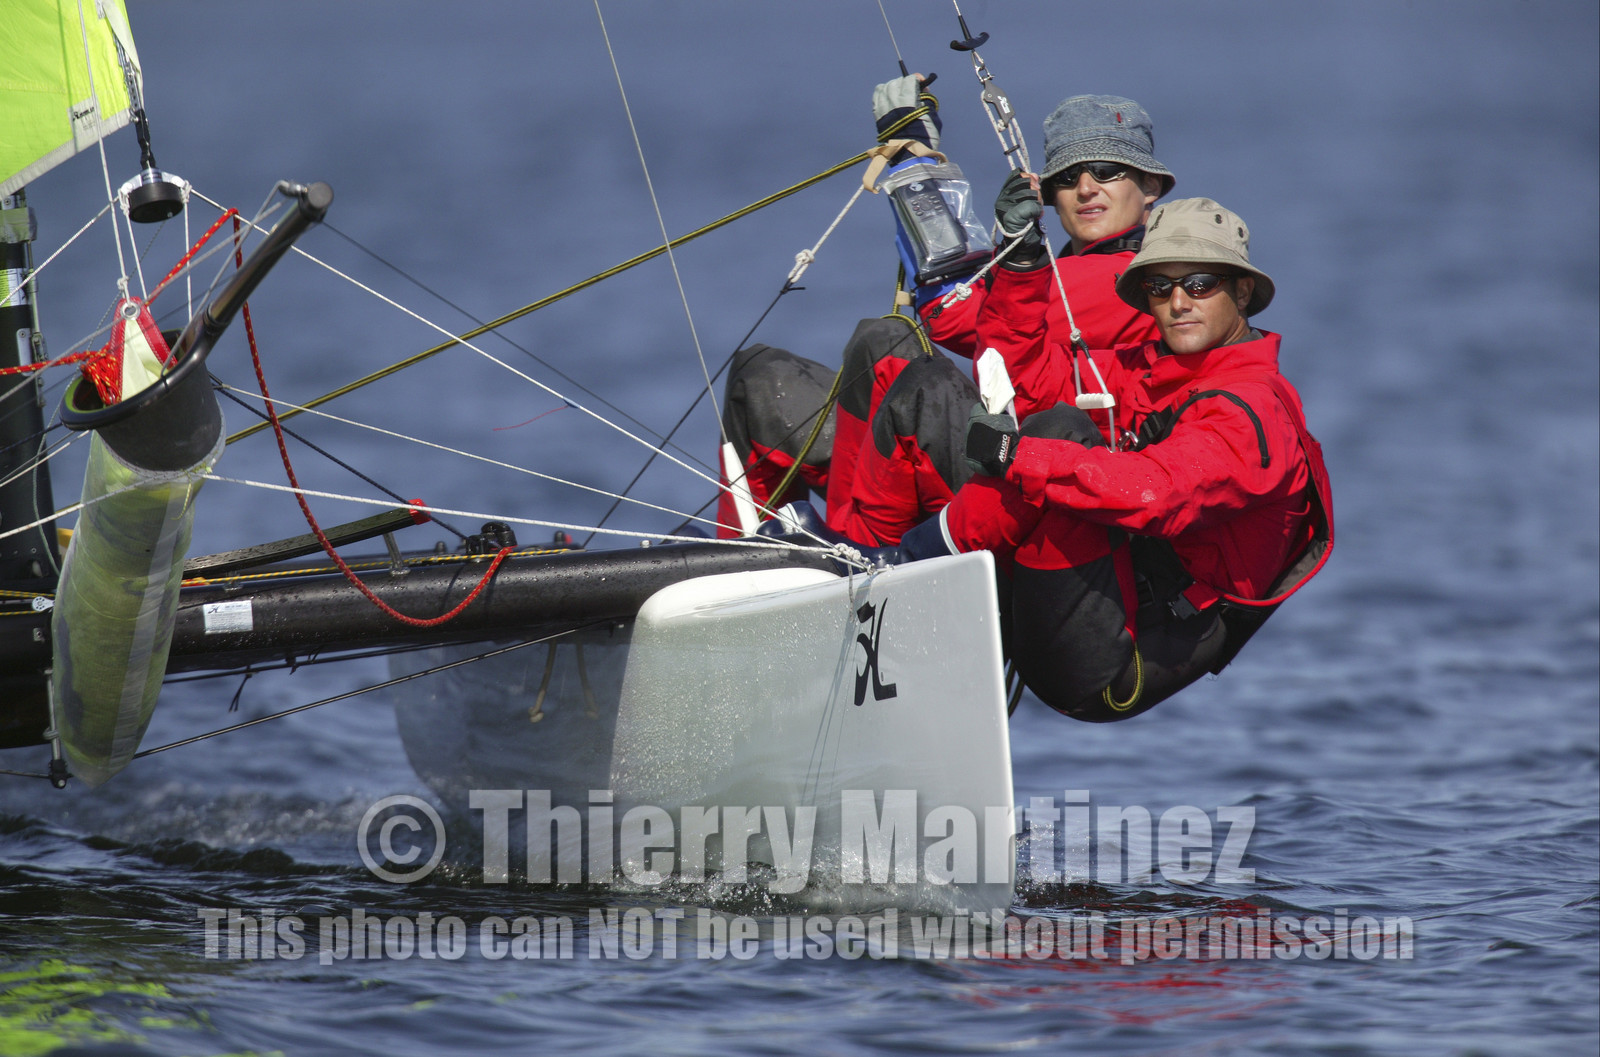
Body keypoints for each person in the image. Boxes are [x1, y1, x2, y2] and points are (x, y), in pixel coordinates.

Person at [886, 197, 1333, 721]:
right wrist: (1021, 266)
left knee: (1057, 435)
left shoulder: (1253, 412)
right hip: (1086, 592)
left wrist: (1013, 454)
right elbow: (1022, 379)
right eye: (1160, 287)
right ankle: (861, 570)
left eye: (1199, 284)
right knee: (923, 383)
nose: (1179, 302)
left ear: (1242, 292)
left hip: (1113, 666)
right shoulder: (1151, 371)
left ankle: (901, 573)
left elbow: (1157, 494)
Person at [716, 86, 1175, 543]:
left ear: (1150, 186)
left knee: (907, 370)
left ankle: (847, 551)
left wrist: (913, 165)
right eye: (1069, 176)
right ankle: (751, 553)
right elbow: (977, 304)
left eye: (1108, 171)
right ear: (1049, 194)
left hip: (1030, 478)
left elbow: (951, 314)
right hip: (997, 452)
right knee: (760, 377)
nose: (1087, 187)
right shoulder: (1056, 269)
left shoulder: (1135, 279)